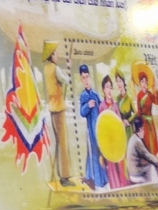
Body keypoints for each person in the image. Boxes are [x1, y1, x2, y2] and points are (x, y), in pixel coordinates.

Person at [42, 41, 74, 185]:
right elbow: (66, 80)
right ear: (51, 55)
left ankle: (61, 175)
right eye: (55, 53)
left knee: (58, 142)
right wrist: (69, 69)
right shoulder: (55, 68)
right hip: (59, 108)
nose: (57, 55)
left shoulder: (46, 69)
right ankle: (64, 177)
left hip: (52, 108)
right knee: (62, 143)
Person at [78, 64, 109, 190]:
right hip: (90, 130)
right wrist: (87, 106)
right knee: (93, 154)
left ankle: (103, 180)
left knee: (101, 153)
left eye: (87, 77)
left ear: (90, 77)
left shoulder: (95, 94)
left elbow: (102, 107)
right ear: (81, 79)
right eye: (83, 78)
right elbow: (81, 112)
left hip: (98, 129)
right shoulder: (83, 95)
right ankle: (96, 182)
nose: (86, 80)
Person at [99, 75, 128, 189]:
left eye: (111, 87)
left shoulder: (115, 106)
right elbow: (101, 127)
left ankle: (123, 187)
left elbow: (119, 124)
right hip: (108, 142)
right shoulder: (101, 106)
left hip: (117, 140)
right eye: (107, 87)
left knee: (120, 165)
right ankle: (115, 188)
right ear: (103, 90)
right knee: (111, 166)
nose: (109, 90)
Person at [126, 117, 158, 184]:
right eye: (143, 129)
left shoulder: (133, 138)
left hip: (132, 170)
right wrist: (157, 162)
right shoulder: (137, 141)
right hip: (135, 172)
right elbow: (147, 155)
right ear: (141, 128)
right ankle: (156, 187)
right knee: (151, 167)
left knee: (148, 165)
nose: (144, 131)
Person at [136, 68, 158, 154]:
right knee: (145, 142)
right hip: (144, 123)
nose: (144, 84)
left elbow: (157, 102)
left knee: (153, 142)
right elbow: (139, 111)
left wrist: (155, 88)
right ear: (140, 83)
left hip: (151, 121)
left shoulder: (150, 94)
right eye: (142, 82)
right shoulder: (139, 95)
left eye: (146, 82)